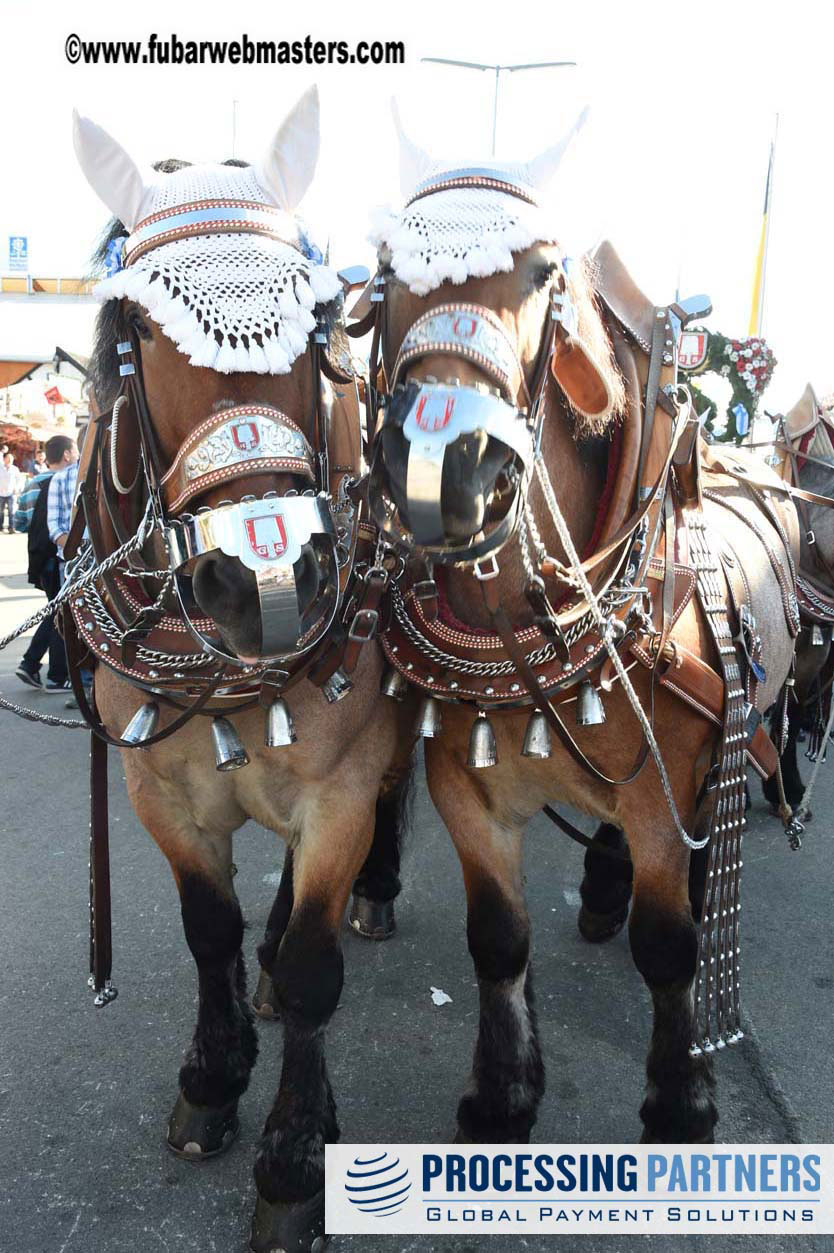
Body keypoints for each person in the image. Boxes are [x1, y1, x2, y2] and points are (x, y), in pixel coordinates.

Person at [15, 436, 78, 691]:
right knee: (59, 612)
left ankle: (35, 666)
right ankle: (50, 672)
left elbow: (20, 522)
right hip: (61, 555)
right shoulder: (62, 481)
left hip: (41, 558)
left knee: (56, 610)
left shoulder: (33, 484)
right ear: (66, 454)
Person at [0, 451, 23, 532]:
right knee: (1, 511)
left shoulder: (15, 469)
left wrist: (16, 488)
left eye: (11, 458)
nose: (9, 460)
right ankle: (0, 527)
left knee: (11, 511)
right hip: (1, 493)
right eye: (8, 458)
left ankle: (11, 527)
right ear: (4, 459)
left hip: (11, 493)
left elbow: (19, 480)